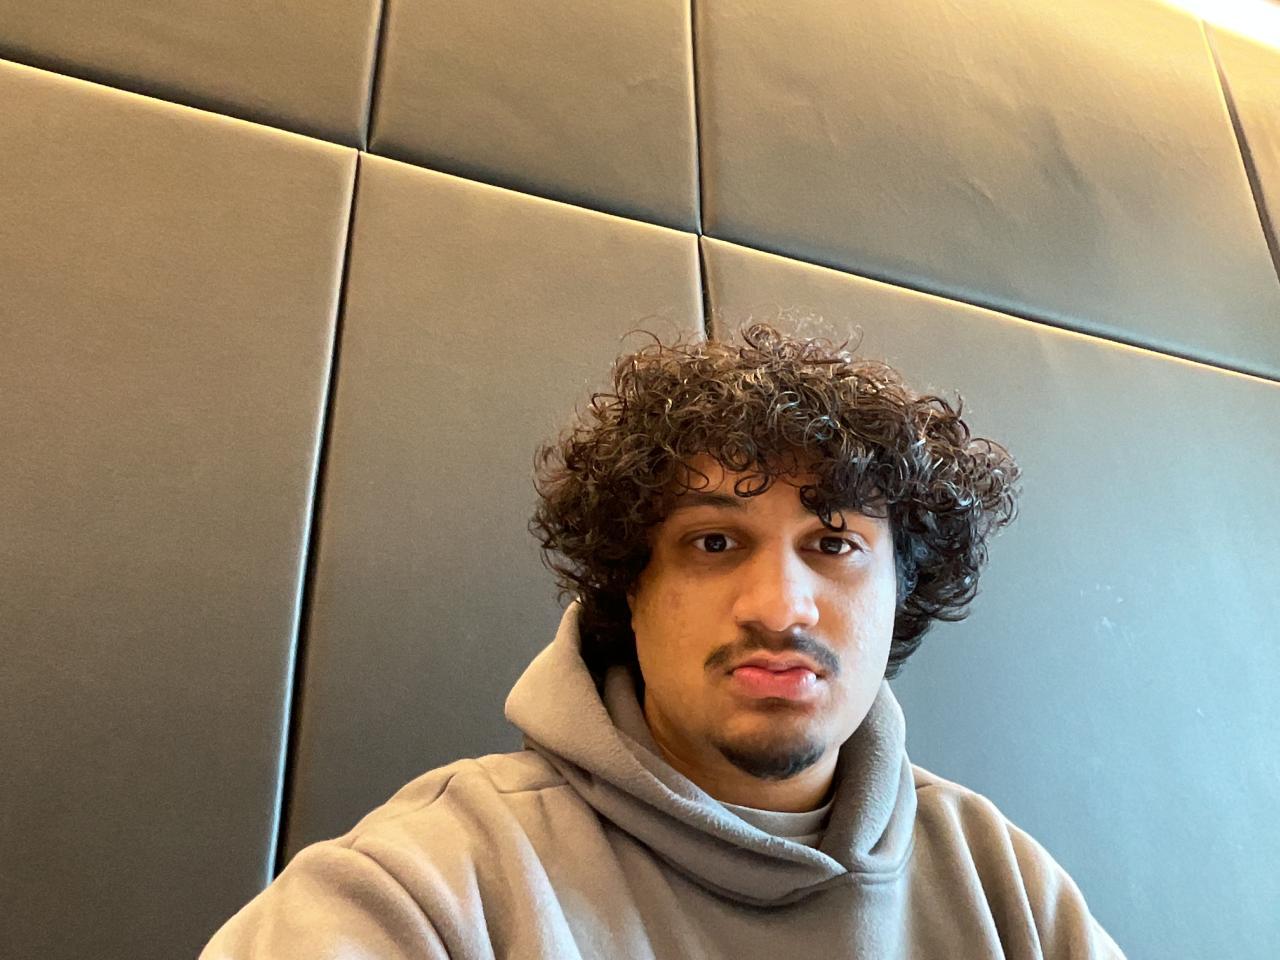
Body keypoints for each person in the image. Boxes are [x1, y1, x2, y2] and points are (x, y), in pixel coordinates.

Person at [202, 323, 1125, 958]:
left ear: (900, 594)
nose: (781, 608)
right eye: (714, 543)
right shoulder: (434, 884)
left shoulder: (1003, 886)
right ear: (630, 588)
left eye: (835, 545)